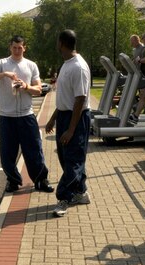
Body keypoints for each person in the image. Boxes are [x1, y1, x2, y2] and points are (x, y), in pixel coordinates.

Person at [0, 35, 53, 194]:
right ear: (10, 47)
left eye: (19, 47)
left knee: (34, 149)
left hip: (26, 115)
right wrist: (4, 74)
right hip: (6, 116)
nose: (16, 50)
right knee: (7, 153)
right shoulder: (2, 63)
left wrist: (25, 86)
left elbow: (39, 89)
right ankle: (13, 181)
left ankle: (41, 180)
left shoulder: (31, 65)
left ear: (24, 48)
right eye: (14, 47)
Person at [45, 29, 91, 217]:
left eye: (57, 41)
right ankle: (81, 192)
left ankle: (64, 198)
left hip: (77, 118)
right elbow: (66, 98)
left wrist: (71, 130)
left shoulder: (78, 67)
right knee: (67, 159)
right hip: (65, 116)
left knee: (73, 161)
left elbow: (80, 100)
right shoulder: (66, 65)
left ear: (61, 43)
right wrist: (53, 118)